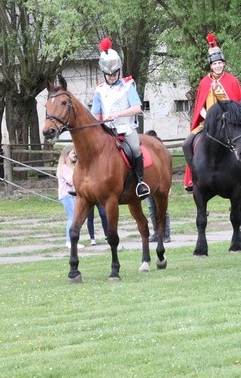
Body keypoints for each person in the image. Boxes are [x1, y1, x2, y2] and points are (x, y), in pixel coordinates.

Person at [183, 33, 241, 191]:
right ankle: (194, 178)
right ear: (211, 65)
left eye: (219, 63)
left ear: (223, 63)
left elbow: (238, 104)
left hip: (231, 123)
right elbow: (200, 106)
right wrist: (207, 118)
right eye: (214, 64)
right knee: (186, 143)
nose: (217, 66)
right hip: (208, 123)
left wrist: (234, 118)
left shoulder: (232, 81)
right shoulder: (204, 83)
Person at [91, 36, 150, 199]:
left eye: (114, 74)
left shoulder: (127, 86)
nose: (112, 77)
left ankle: (140, 183)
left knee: (136, 149)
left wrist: (118, 114)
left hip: (126, 128)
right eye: (108, 75)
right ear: (103, 73)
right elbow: (95, 115)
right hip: (107, 130)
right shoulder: (99, 90)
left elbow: (137, 108)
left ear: (119, 71)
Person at [145, 130, 170, 242]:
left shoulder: (160, 153)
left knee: (162, 209)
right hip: (148, 185)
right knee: (151, 209)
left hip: (159, 184)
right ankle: (156, 232)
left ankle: (166, 234)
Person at [57, 146, 77, 249]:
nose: (74, 155)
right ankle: (69, 241)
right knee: (72, 218)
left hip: (71, 195)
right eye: (73, 153)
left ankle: (72, 241)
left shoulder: (70, 167)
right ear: (67, 155)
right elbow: (71, 181)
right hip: (67, 195)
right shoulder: (64, 167)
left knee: (74, 218)